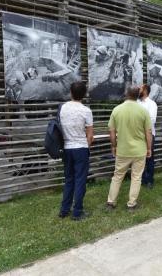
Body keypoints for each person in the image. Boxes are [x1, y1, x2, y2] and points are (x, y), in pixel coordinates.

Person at [106, 86, 152, 211]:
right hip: (139, 150)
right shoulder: (143, 111)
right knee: (136, 177)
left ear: (126, 94)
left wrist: (114, 146)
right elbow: (148, 132)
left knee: (117, 176)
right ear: (138, 95)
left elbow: (111, 131)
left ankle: (111, 202)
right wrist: (149, 148)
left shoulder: (116, 110)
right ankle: (132, 204)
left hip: (123, 150)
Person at [58, 81, 94, 221]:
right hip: (81, 148)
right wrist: (87, 145)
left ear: (71, 92)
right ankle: (77, 212)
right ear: (84, 94)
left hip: (67, 148)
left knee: (69, 179)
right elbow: (90, 135)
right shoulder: (86, 111)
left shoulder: (62, 108)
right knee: (80, 180)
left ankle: (64, 210)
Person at [137, 84, 158, 189]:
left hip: (148, 134)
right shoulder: (136, 103)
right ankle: (140, 179)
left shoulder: (152, 104)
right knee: (139, 158)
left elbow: (152, 120)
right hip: (137, 135)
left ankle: (149, 180)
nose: (138, 89)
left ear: (145, 90)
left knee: (149, 158)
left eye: (140, 88)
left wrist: (138, 122)